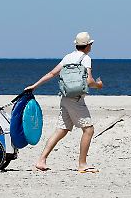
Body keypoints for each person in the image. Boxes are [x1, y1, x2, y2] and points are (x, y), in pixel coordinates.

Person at [24, 32, 104, 173]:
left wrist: (34, 85)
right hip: (76, 99)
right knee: (89, 130)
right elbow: (89, 81)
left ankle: (41, 160)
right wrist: (99, 85)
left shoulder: (68, 57)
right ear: (87, 46)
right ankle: (82, 164)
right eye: (90, 44)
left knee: (61, 130)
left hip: (65, 97)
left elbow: (51, 74)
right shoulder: (86, 58)